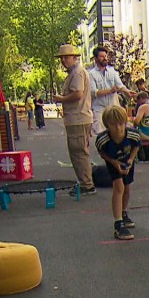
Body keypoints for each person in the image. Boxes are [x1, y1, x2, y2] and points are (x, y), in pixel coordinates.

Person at [52, 44, 97, 195]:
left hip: (78, 118)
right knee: (79, 152)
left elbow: (78, 94)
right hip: (78, 118)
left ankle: (87, 184)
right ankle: (85, 182)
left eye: (66, 57)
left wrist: (61, 98)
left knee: (78, 153)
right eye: (62, 58)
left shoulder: (77, 73)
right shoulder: (75, 72)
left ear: (74, 57)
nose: (63, 60)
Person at [95, 105, 141, 241]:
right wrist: (114, 163)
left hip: (127, 160)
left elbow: (137, 145)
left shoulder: (132, 134)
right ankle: (118, 224)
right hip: (113, 161)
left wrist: (131, 160)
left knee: (127, 187)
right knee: (118, 187)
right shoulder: (103, 139)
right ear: (107, 125)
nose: (118, 128)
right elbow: (101, 152)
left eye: (121, 124)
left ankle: (123, 212)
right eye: (113, 125)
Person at [87, 45, 133, 141]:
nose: (105, 58)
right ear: (95, 59)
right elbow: (93, 92)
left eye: (105, 56)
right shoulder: (91, 74)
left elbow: (119, 85)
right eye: (102, 56)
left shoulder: (112, 71)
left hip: (113, 107)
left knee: (117, 132)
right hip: (99, 109)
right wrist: (110, 91)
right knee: (101, 134)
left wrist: (127, 91)